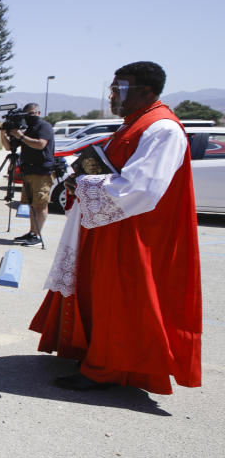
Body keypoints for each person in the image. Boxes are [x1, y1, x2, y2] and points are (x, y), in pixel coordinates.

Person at [30, 62, 201, 394]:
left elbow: (142, 188)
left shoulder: (162, 129)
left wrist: (86, 183)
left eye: (119, 89)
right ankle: (95, 356)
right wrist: (76, 175)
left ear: (147, 92)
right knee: (101, 295)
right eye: (113, 88)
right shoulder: (133, 124)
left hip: (135, 233)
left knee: (120, 300)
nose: (112, 96)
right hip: (110, 226)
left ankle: (108, 368)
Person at [1, 102, 54, 246]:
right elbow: (8, 147)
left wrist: (21, 136)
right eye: (27, 114)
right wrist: (3, 133)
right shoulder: (25, 128)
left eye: (31, 114)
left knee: (40, 204)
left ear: (38, 113)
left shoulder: (44, 126)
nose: (29, 117)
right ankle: (32, 232)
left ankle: (37, 236)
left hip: (41, 171)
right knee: (31, 204)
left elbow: (40, 144)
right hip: (28, 170)